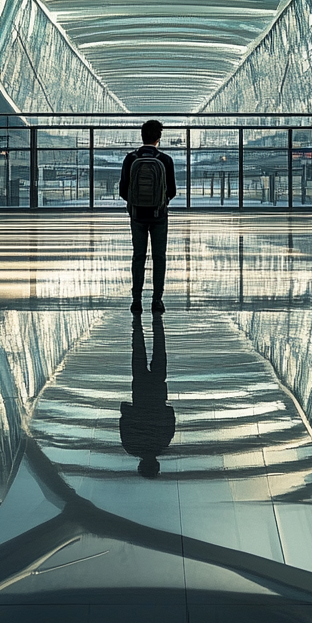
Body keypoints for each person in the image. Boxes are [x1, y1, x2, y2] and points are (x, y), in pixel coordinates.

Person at [119, 119, 177, 314]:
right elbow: (172, 191)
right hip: (159, 215)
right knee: (159, 257)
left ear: (141, 136)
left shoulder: (130, 159)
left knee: (138, 256)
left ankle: (136, 300)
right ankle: (157, 300)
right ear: (158, 138)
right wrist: (160, 201)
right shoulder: (165, 160)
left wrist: (135, 203)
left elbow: (122, 190)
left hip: (137, 215)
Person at [120, 316, 175, 478]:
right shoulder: (131, 446)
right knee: (138, 351)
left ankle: (157, 321)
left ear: (156, 464)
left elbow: (170, 416)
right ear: (140, 465)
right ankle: (137, 323)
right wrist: (128, 410)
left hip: (158, 392)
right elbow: (124, 422)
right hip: (140, 392)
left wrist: (163, 409)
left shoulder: (163, 444)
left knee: (159, 350)